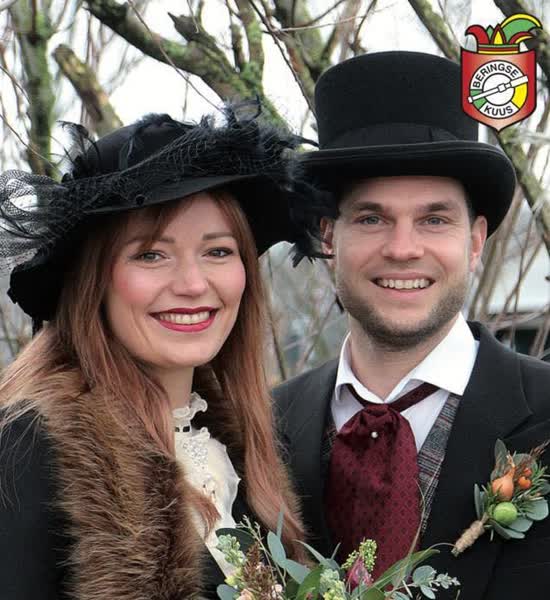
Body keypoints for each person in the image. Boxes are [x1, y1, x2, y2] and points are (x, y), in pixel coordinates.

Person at [274, 51, 550, 599]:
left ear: (475, 241)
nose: (403, 249)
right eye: (371, 218)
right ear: (328, 236)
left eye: (434, 219)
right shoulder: (260, 431)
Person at [0, 108, 305, 599]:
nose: (193, 284)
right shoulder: (25, 449)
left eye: (218, 251)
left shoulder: (251, 447)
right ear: (95, 282)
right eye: (151, 254)